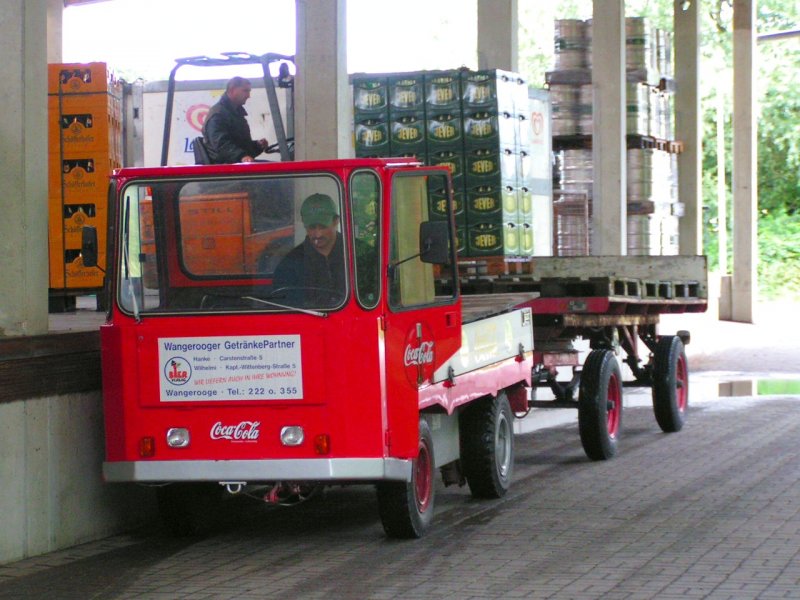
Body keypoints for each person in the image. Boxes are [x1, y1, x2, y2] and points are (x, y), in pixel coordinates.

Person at [273, 194, 346, 306]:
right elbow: (285, 308)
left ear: (336, 221)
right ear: (303, 223)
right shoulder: (289, 265)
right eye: (312, 227)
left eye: (323, 227)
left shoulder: (359, 256)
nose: (317, 234)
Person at [202, 76, 269, 164]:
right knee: (276, 169)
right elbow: (221, 144)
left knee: (276, 167)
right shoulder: (218, 114)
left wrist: (257, 146)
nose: (248, 96)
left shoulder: (234, 113)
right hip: (225, 166)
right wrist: (242, 156)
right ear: (232, 90)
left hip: (235, 162)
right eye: (245, 91)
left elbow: (240, 144)